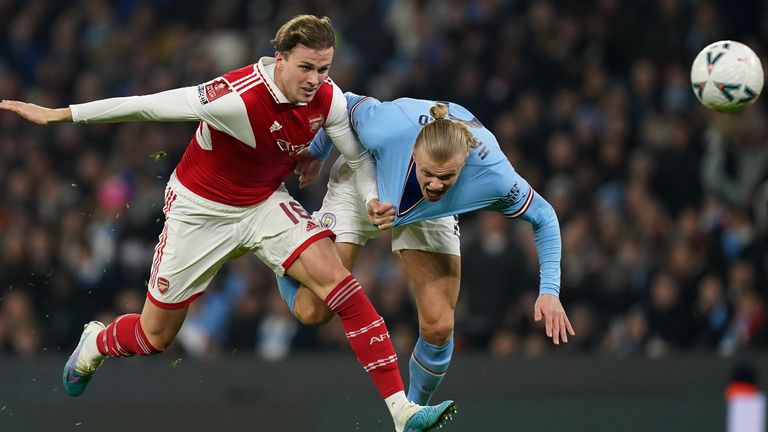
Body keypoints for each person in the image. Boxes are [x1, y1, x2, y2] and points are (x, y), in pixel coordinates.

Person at [0, 16, 457, 432]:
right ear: (279, 59)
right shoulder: (234, 99)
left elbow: (355, 156)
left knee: (343, 286)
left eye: (323, 69)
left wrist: (374, 198)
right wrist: (61, 114)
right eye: (306, 68)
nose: (316, 80)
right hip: (201, 212)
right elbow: (147, 106)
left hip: (263, 204)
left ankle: (401, 410)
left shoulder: (327, 96)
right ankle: (96, 343)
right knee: (153, 336)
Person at [279, 92, 575, 405]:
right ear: (414, 153)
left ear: (463, 164)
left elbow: (544, 216)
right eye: (428, 174)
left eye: (447, 176)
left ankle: (412, 417)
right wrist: (318, 151)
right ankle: (277, 238)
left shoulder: (494, 176)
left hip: (432, 213)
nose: (435, 184)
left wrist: (549, 291)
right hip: (365, 182)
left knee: (439, 325)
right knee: (314, 310)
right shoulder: (386, 126)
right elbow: (340, 103)